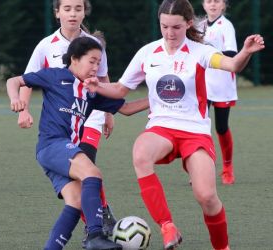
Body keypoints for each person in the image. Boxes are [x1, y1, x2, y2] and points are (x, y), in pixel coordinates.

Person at [83, 0, 264, 249]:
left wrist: (245, 52)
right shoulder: (147, 53)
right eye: (164, 26)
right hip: (162, 127)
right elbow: (120, 89)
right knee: (141, 153)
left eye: (176, 27)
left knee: (207, 197)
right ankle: (167, 227)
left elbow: (232, 65)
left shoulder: (201, 52)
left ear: (188, 23)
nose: (170, 33)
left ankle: (222, 247)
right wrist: (98, 86)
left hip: (195, 132)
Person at [6, 37, 148, 250]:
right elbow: (13, 81)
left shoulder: (92, 91)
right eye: (92, 61)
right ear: (74, 59)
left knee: (76, 202)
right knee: (92, 173)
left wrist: (156, 98)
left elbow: (126, 108)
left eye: (99, 63)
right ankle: (95, 235)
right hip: (52, 145)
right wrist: (16, 100)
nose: (96, 67)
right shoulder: (54, 75)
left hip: (59, 153)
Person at [18, 0, 117, 241]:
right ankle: (96, 223)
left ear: (85, 12)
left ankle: (96, 222)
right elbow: (27, 79)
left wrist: (108, 113)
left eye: (78, 9)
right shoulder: (46, 46)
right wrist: (23, 109)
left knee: (87, 169)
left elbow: (103, 78)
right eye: (67, 8)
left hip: (89, 116)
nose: (73, 14)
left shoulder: (95, 45)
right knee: (84, 176)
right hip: (62, 122)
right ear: (57, 13)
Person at [202, 0, 238, 185]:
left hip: (222, 85)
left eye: (217, 1)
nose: (213, 4)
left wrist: (209, 52)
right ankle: (201, 170)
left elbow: (232, 54)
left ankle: (227, 168)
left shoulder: (226, 26)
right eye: (209, 1)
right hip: (202, 85)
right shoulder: (199, 26)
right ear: (203, 5)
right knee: (200, 128)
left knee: (221, 127)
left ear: (224, 5)